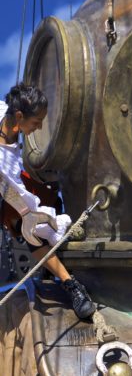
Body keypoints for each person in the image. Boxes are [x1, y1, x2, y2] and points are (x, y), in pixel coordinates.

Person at [0, 83, 96, 319]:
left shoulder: (5, 112)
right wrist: (59, 224)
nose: (40, 126)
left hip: (13, 189)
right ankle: (71, 285)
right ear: (20, 116)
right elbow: (29, 209)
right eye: (36, 122)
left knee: (50, 194)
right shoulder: (3, 164)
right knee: (33, 227)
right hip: (7, 194)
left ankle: (49, 266)